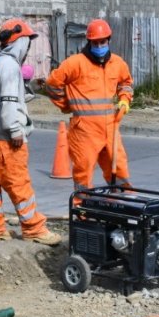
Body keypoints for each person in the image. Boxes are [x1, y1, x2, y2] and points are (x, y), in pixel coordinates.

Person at [0, 19, 61, 246]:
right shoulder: (11, 67)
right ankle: (34, 229)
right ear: (19, 42)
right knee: (20, 185)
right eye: (27, 43)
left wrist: (31, 87)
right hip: (6, 141)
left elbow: (9, 97)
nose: (28, 48)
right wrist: (15, 130)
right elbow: (8, 104)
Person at [45, 19, 134, 192]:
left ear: (109, 40)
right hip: (84, 130)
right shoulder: (75, 63)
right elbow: (52, 84)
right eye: (96, 42)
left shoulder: (117, 63)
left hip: (111, 126)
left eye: (103, 41)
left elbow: (126, 83)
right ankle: (82, 208)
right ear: (89, 42)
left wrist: (124, 99)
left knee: (119, 169)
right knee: (83, 172)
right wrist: (66, 104)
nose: (100, 45)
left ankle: (125, 202)